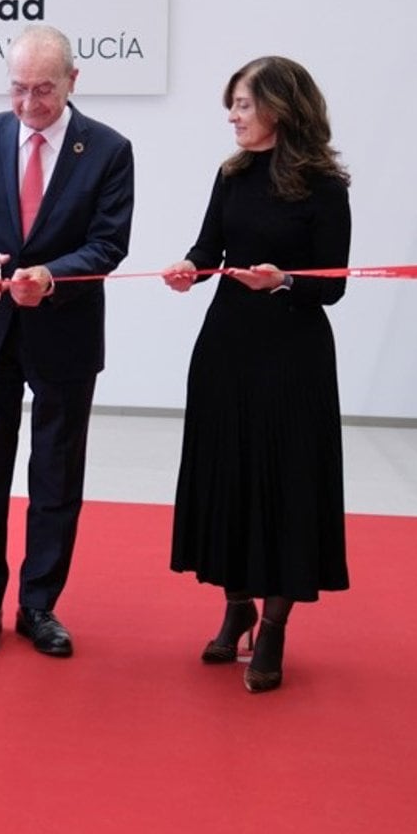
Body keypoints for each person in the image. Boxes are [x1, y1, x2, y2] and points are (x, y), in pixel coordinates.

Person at [0, 24, 134, 658]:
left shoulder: (108, 149)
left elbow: (108, 243)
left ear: (73, 81)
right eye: (18, 88)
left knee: (56, 474)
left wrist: (51, 277)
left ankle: (39, 605)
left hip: (65, 332)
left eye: (42, 90)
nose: (28, 103)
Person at [162, 57, 351, 692]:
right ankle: (237, 606)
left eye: (243, 104)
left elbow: (333, 285)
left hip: (292, 355)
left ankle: (273, 627)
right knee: (230, 476)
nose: (233, 117)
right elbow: (209, 247)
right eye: (233, 105)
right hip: (227, 345)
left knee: (285, 483)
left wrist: (284, 280)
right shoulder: (232, 174)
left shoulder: (325, 186)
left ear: (280, 107)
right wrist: (188, 269)